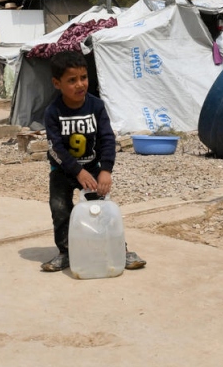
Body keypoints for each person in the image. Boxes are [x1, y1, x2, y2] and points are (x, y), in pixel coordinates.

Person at [41, 50, 145, 273]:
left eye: (83, 78)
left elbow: (107, 139)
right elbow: (55, 147)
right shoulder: (53, 112)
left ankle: (119, 249)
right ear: (56, 83)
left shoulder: (96, 107)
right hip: (62, 171)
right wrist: (77, 171)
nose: (80, 84)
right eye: (72, 80)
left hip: (92, 168)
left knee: (103, 211)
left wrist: (105, 170)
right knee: (60, 210)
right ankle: (66, 252)